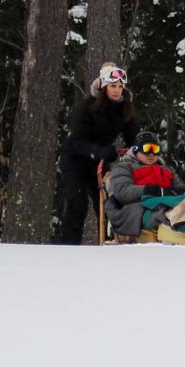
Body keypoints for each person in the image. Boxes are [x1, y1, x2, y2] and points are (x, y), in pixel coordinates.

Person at [57, 63, 140, 244]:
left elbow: (134, 137)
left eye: (120, 86)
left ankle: (109, 246)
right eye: (113, 86)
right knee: (77, 204)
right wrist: (100, 151)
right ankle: (66, 249)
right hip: (75, 159)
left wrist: (145, 149)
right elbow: (78, 141)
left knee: (107, 206)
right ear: (103, 86)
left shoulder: (125, 109)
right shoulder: (85, 108)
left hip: (100, 161)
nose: (117, 91)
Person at [104, 131, 185, 240]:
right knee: (168, 212)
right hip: (138, 209)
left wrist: (183, 191)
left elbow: (180, 188)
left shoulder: (166, 169)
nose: (152, 153)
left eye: (155, 149)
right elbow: (122, 192)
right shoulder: (124, 168)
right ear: (136, 149)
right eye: (147, 148)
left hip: (169, 203)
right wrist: (148, 190)